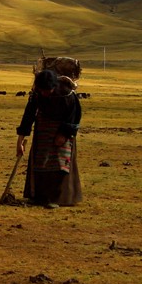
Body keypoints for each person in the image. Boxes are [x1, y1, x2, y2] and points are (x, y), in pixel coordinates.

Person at [15, 69, 83, 208]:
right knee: (40, 161)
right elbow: (29, 115)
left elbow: (74, 116)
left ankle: (58, 198)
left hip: (62, 131)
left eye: (47, 90)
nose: (44, 93)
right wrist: (20, 140)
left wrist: (63, 134)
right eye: (42, 90)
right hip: (43, 130)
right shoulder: (37, 94)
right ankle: (38, 196)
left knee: (60, 162)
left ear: (54, 86)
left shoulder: (66, 93)